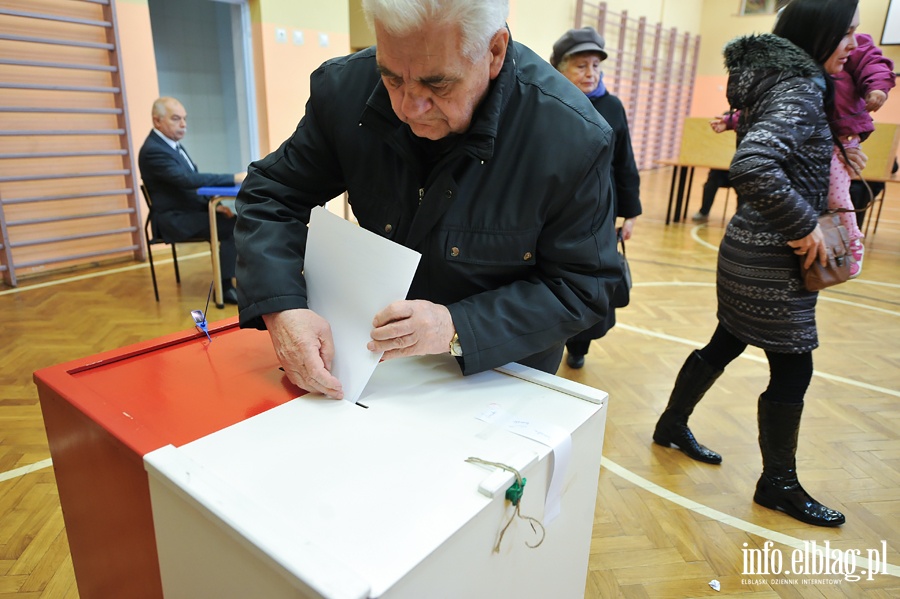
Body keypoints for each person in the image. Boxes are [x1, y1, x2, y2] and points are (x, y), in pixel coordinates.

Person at [233, 0, 621, 399]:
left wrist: (454, 327)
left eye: (438, 85)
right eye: (392, 78)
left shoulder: (571, 136)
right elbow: (271, 194)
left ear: (494, 52)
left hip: (504, 375)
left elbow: (583, 286)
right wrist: (282, 307)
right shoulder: (345, 92)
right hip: (375, 369)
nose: (408, 108)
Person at [652, 0, 864, 527]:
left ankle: (671, 424)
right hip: (774, 255)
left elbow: (781, 155)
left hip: (751, 246)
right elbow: (753, 165)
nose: (856, 45)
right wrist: (803, 223)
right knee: (794, 366)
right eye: (849, 33)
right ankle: (778, 485)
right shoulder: (800, 86)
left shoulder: (775, 81)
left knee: (727, 338)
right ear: (822, 33)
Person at [548, 27, 642, 369]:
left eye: (595, 66)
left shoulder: (612, 106)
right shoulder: (544, 101)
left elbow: (624, 162)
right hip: (551, 208)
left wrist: (629, 212)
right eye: (581, 66)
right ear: (558, 66)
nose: (591, 74)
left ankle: (579, 344)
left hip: (599, 212)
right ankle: (545, 341)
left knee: (589, 279)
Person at [138, 97, 246, 304]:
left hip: (186, 210)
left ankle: (231, 282)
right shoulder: (154, 150)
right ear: (157, 121)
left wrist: (215, 207)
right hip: (174, 219)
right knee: (233, 226)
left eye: (185, 119)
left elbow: (188, 185)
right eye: (176, 119)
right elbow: (187, 180)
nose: (183, 124)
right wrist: (232, 178)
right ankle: (224, 289)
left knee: (231, 219)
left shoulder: (171, 145)